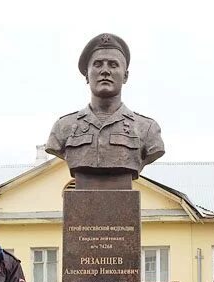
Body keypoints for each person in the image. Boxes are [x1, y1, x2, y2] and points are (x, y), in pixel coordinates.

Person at [46, 33, 164, 185]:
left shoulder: (147, 129)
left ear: (126, 76)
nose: (105, 71)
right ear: (87, 76)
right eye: (98, 64)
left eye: (113, 65)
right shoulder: (63, 127)